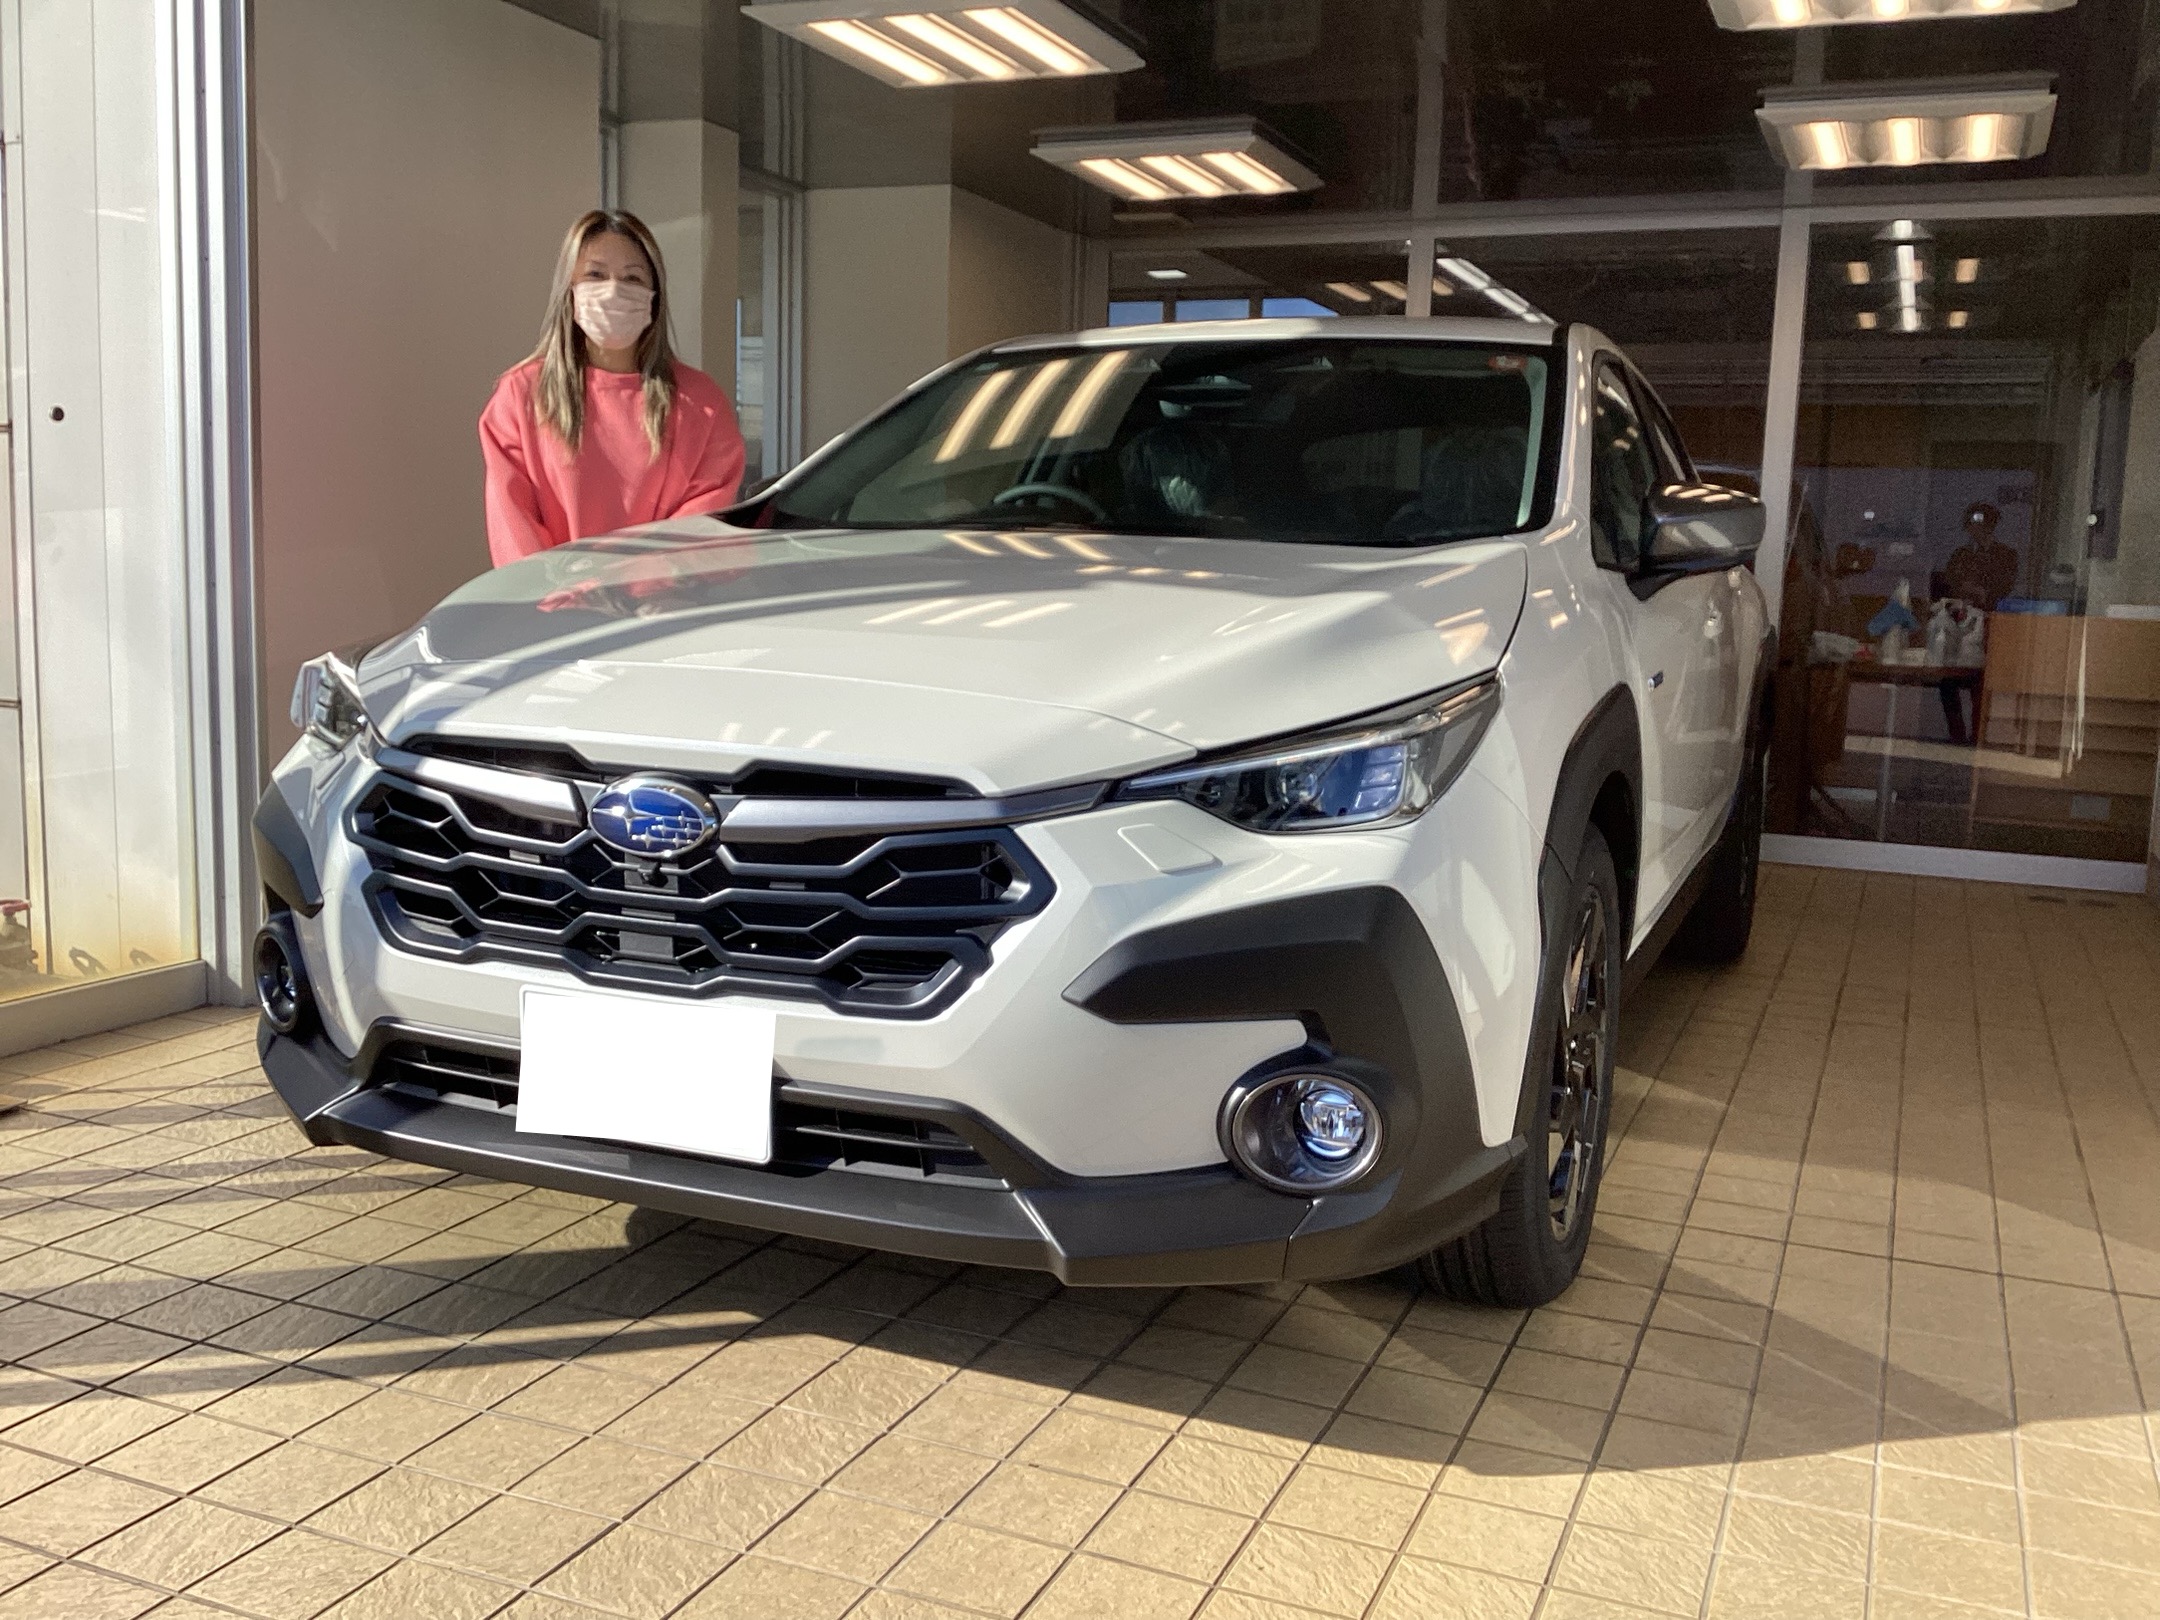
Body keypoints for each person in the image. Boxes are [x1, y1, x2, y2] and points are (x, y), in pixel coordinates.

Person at [481, 209, 746, 566]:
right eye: (595, 274)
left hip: (666, 597)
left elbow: (703, 525)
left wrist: (636, 585)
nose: (614, 289)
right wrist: (564, 591)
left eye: (632, 278)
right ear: (569, 289)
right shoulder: (521, 396)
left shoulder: (701, 402)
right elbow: (514, 526)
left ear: (653, 295)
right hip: (552, 599)